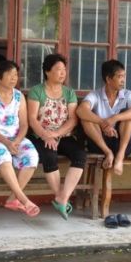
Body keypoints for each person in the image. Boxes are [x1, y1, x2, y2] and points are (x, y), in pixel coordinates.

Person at [0, 60, 41, 217]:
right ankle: (23, 199)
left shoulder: (19, 96)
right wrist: (6, 143)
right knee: (3, 155)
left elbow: (25, 124)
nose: (14, 78)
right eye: (10, 75)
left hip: (15, 137)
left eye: (16, 75)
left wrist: (17, 141)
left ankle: (13, 198)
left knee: (32, 155)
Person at [27, 54, 86, 220]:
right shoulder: (36, 91)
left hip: (63, 135)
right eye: (58, 70)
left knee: (80, 155)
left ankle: (63, 197)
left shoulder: (69, 93)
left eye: (64, 70)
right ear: (47, 72)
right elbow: (32, 119)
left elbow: (73, 119)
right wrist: (46, 136)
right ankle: (60, 197)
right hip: (40, 135)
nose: (62, 73)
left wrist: (56, 134)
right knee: (49, 155)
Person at [77, 59, 131, 177]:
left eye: (124, 76)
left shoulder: (128, 95)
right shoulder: (95, 95)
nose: (123, 80)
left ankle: (119, 157)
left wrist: (115, 118)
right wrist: (103, 123)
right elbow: (81, 110)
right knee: (87, 119)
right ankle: (109, 153)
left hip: (122, 144)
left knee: (128, 119)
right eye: (119, 77)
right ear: (108, 79)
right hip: (99, 144)